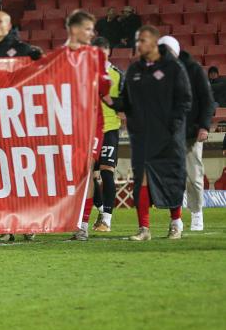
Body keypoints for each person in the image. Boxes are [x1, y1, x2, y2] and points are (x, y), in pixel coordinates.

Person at [106, 26, 191, 241]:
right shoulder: (135, 70)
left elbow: (183, 101)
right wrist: (109, 100)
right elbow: (127, 102)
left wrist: (174, 126)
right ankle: (144, 228)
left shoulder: (175, 70)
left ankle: (175, 223)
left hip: (169, 134)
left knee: (170, 179)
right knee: (141, 180)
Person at [0, 11, 40, 242]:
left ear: (9, 25)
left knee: (22, 174)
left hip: (19, 121)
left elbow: (44, 71)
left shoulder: (24, 50)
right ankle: (5, 225)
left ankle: (27, 223)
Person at [63, 11, 112, 241]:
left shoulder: (96, 57)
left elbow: (104, 88)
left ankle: (82, 224)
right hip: (64, 123)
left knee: (86, 172)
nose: (92, 33)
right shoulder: (60, 57)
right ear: (73, 29)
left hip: (91, 124)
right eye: (87, 28)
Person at [158, 36, 215, 232]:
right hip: (171, 134)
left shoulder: (194, 70)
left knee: (193, 176)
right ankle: (176, 219)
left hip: (191, 133)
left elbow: (208, 100)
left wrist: (204, 126)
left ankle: (197, 213)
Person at [90, 37, 122, 233]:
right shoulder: (86, 74)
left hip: (109, 128)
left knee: (106, 171)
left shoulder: (117, 75)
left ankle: (107, 220)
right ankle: (101, 210)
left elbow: (124, 100)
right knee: (88, 176)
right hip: (90, 131)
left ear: (108, 51)